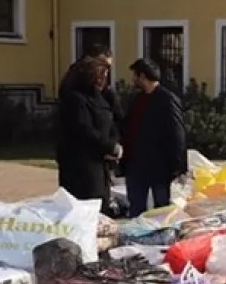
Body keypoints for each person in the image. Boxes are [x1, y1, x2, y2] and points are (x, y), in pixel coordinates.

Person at [121, 58, 187, 216]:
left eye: (135, 76)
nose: (133, 80)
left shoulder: (167, 99)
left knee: (161, 211)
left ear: (142, 76)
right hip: (136, 165)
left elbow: (178, 134)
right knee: (136, 209)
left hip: (159, 168)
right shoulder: (137, 99)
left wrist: (177, 166)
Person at [56, 57, 122, 204]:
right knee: (87, 205)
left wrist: (114, 144)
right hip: (82, 168)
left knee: (101, 204)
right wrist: (109, 147)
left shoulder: (100, 97)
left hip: (101, 164)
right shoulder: (75, 99)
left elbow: (112, 121)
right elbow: (84, 130)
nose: (104, 80)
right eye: (100, 76)